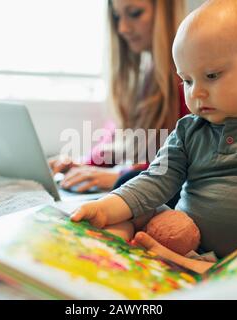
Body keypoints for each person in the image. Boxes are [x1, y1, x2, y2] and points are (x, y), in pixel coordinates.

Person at [70, 0, 237, 273]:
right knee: (136, 210)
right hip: (189, 239)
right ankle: (105, 251)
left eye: (211, 75)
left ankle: (187, 264)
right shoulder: (188, 130)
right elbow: (155, 180)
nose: (196, 93)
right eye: (187, 80)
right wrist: (104, 207)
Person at [49, 0, 188, 203]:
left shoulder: (190, 80)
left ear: (165, 12)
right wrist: (79, 164)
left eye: (134, 13)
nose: (122, 28)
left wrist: (120, 177)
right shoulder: (147, 77)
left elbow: (190, 163)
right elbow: (116, 141)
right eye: (116, 17)